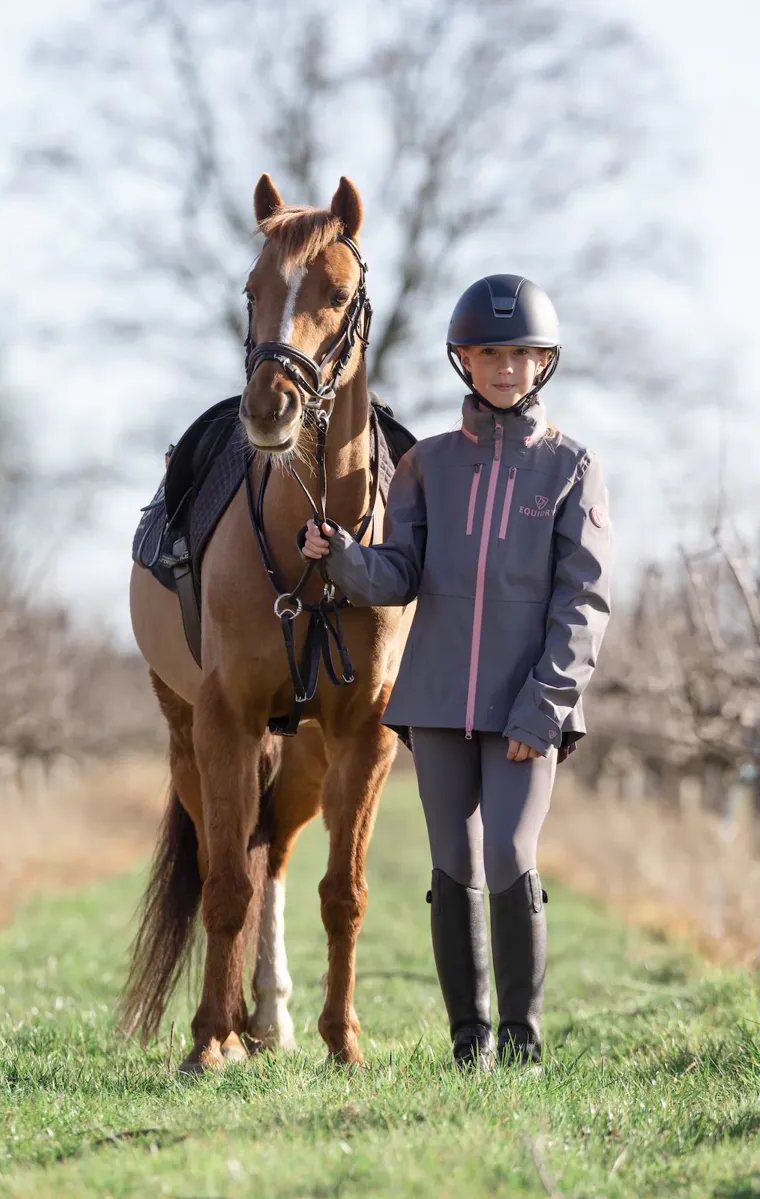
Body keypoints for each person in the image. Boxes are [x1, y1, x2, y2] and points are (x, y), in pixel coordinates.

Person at [302, 274, 613, 1069]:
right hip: (438, 702)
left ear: (542, 362)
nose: (504, 368)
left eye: (520, 354)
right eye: (488, 353)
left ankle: (523, 1041)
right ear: (463, 361)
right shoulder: (427, 466)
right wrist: (339, 556)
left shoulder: (573, 468)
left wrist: (543, 708)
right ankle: (469, 1042)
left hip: (525, 709)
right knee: (454, 863)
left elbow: (585, 603)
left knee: (510, 852)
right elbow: (398, 573)